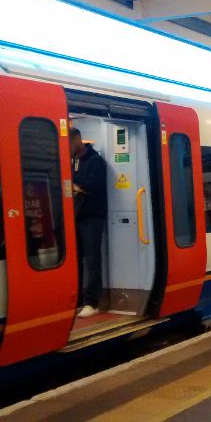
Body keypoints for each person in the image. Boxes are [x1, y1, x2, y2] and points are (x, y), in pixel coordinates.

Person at [70, 128, 108, 319]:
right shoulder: (74, 162)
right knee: (76, 260)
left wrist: (76, 186)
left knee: (93, 260)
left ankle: (92, 302)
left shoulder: (95, 161)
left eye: (69, 143)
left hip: (92, 216)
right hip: (77, 216)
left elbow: (92, 186)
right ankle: (77, 300)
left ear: (78, 140)